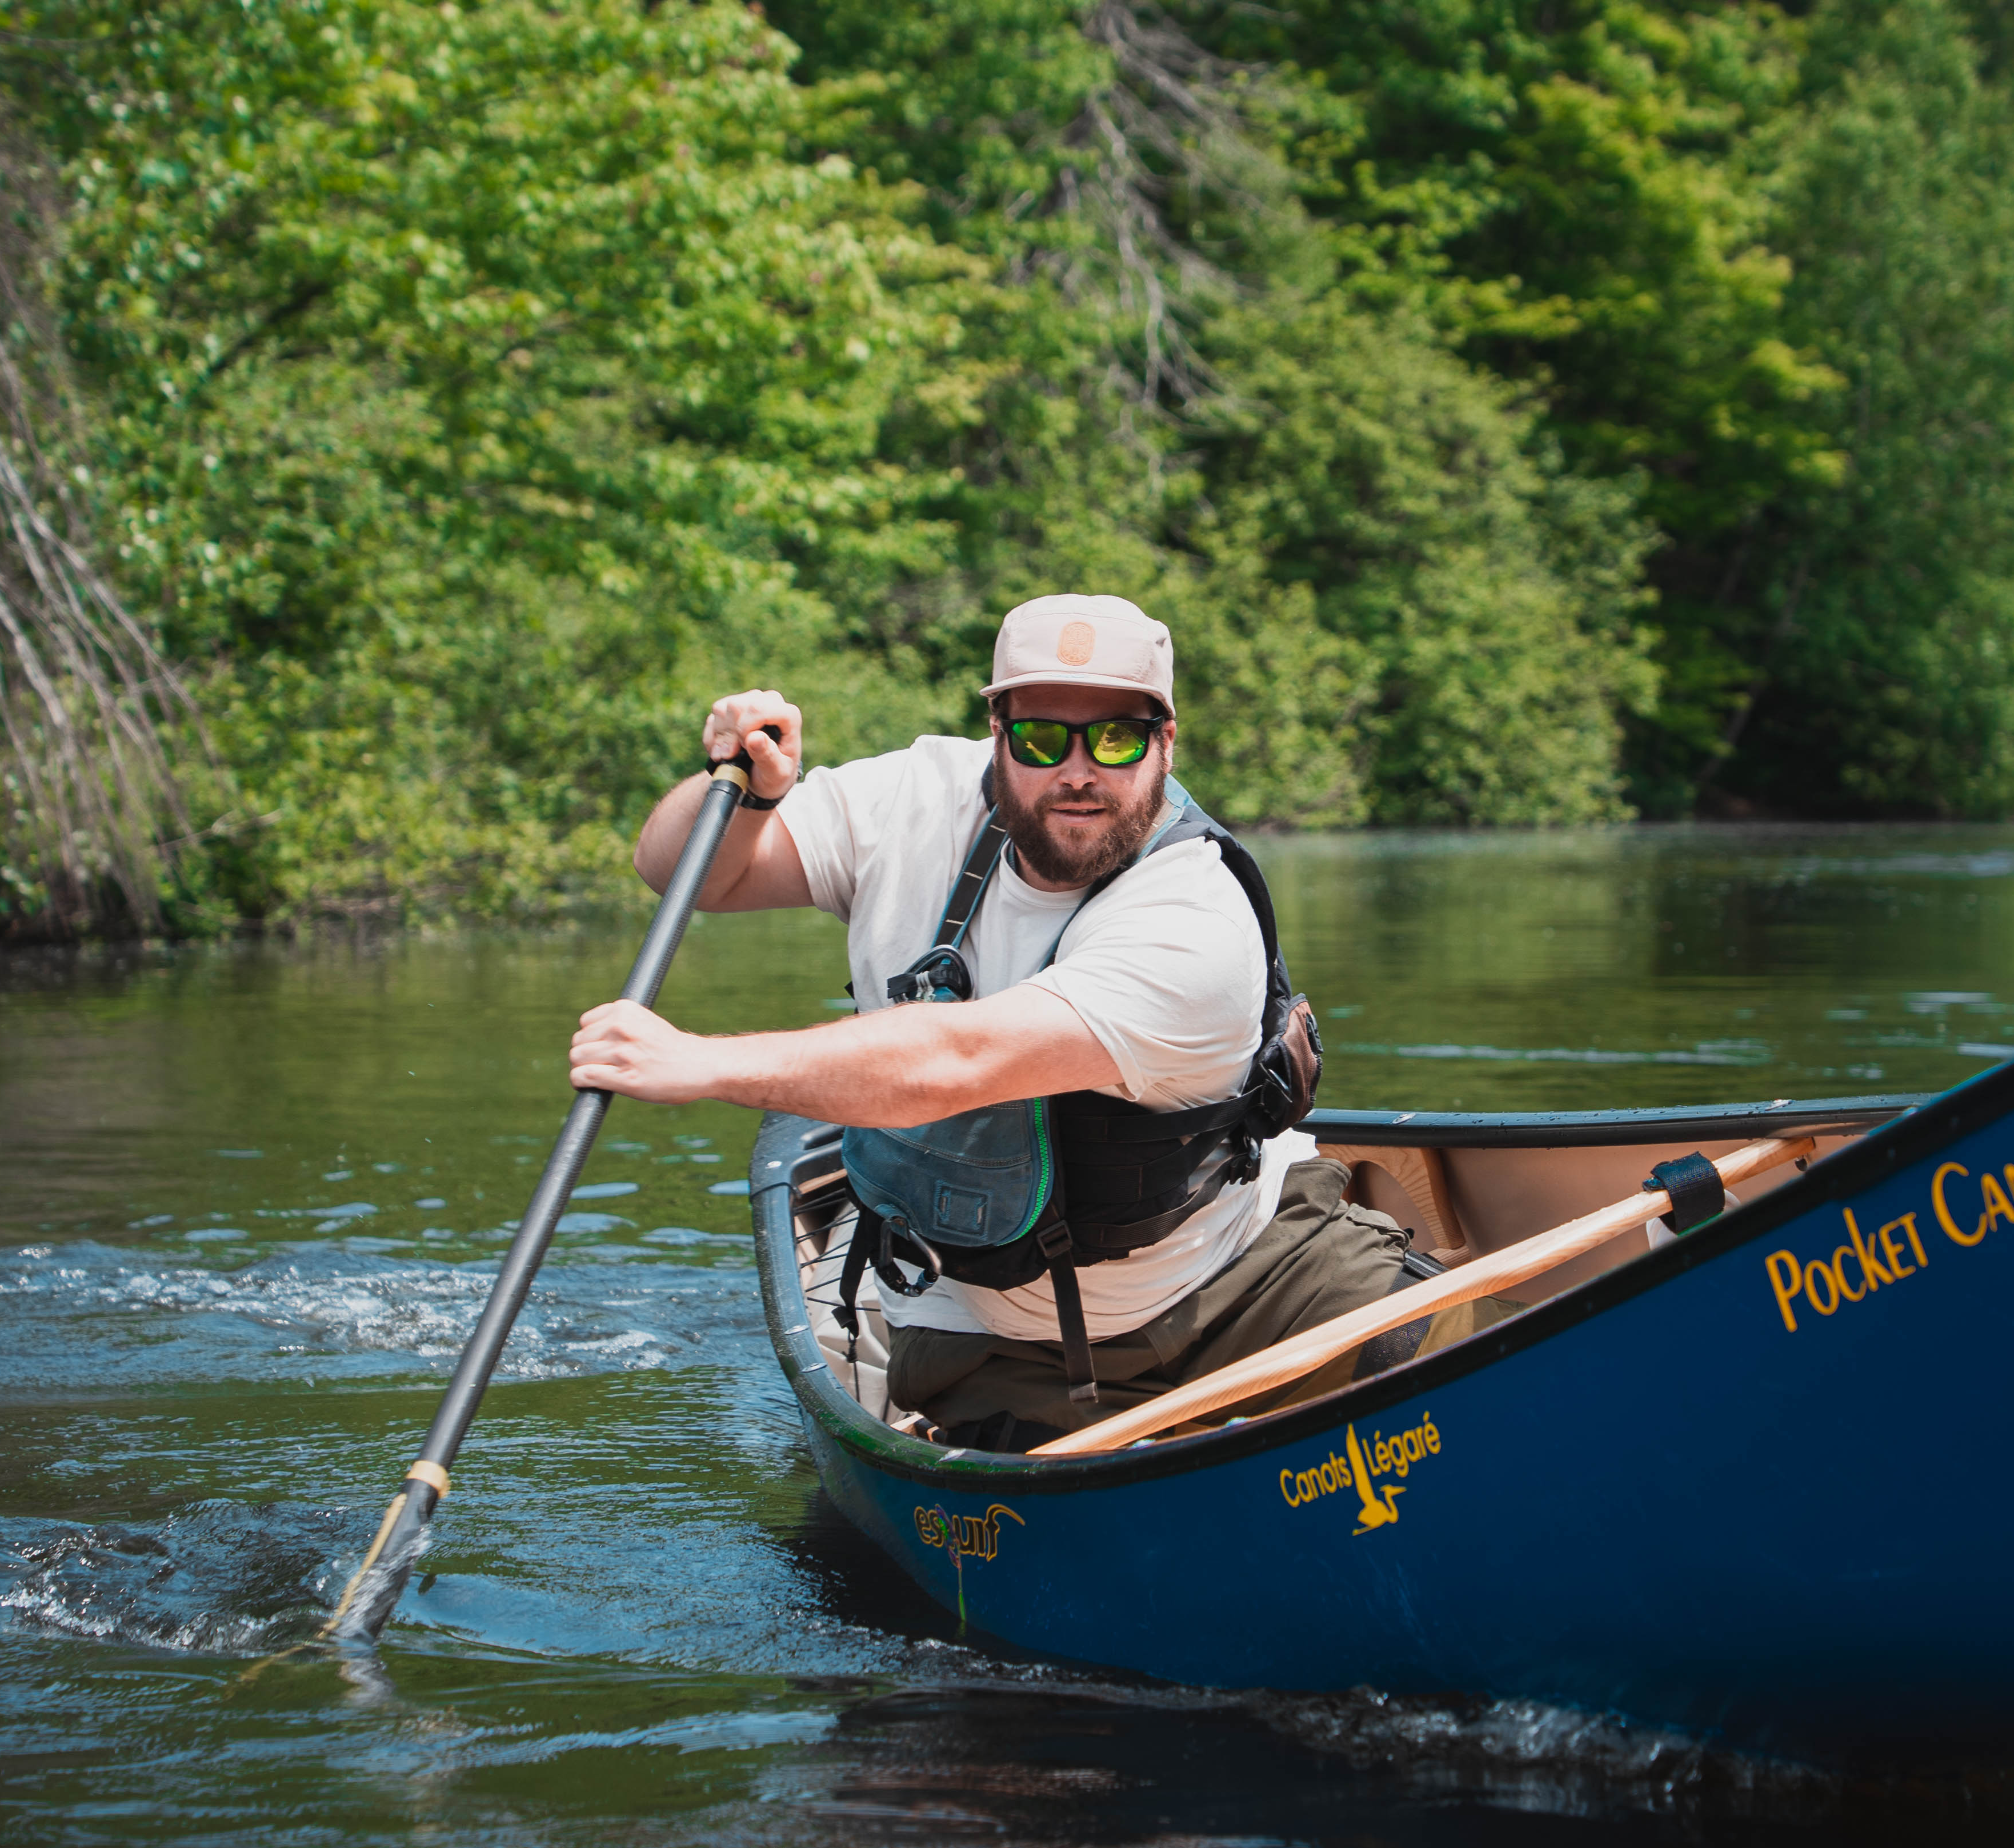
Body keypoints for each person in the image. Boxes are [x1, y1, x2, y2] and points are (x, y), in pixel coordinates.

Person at [569, 594, 1507, 1449]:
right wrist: (742, 790)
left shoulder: (1197, 918)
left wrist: (699, 1062)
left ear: (1166, 743)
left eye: (1115, 741)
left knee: (1473, 1391)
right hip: (991, 1328)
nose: (1076, 772)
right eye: (1043, 736)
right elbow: (685, 868)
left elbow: (959, 1060)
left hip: (1243, 1277)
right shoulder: (911, 798)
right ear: (997, 732)